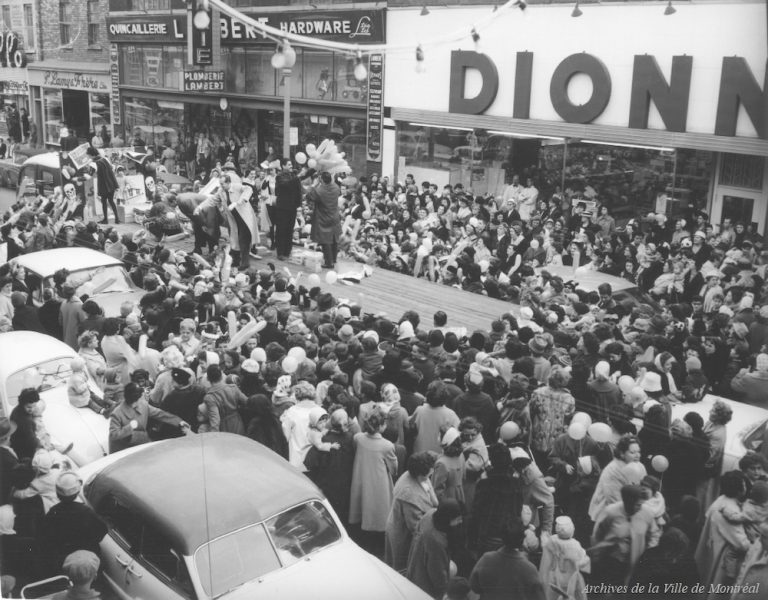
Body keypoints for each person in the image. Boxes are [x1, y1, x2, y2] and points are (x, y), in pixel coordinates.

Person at [590, 484, 661, 588]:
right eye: (637, 505)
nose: (640, 508)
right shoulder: (610, 511)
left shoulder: (647, 513)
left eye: (641, 504)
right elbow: (598, 534)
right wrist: (597, 554)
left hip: (636, 562)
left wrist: (648, 551)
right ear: (628, 502)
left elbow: (655, 533)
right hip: (612, 560)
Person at [37, 472, 107, 576]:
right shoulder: (86, 512)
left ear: (57, 493)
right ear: (77, 492)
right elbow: (101, 532)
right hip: (85, 560)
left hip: (62, 560)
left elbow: (45, 537)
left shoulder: (53, 512)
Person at [349, 407, 398, 555]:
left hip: (361, 478)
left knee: (364, 506)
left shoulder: (358, 438)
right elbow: (394, 468)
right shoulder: (387, 445)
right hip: (379, 481)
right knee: (379, 509)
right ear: (382, 425)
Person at [384, 451, 439, 573]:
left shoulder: (416, 475)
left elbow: (432, 496)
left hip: (401, 526)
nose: (433, 472)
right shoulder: (409, 494)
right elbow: (416, 527)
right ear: (420, 473)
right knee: (402, 570)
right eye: (430, 471)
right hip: (402, 535)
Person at [469, 517, 545, 600]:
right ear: (523, 539)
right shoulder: (529, 569)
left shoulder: (486, 559)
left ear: (502, 536)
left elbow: (474, 586)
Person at [407, 499, 464, 599]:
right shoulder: (436, 541)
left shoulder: (432, 513)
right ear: (448, 519)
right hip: (424, 581)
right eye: (458, 519)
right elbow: (437, 572)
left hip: (416, 561)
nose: (461, 521)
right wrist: (444, 592)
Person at [109, 382, 189, 453]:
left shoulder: (143, 404)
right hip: (123, 450)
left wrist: (178, 421)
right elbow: (113, 435)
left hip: (140, 443)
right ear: (128, 399)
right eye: (135, 400)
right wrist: (129, 427)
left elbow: (160, 414)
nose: (137, 403)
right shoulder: (117, 413)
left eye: (138, 399)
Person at [306, 171, 342, 269]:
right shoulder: (336, 187)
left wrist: (315, 184)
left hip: (323, 217)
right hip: (334, 216)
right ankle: (334, 259)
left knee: (326, 241)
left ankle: (329, 262)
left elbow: (309, 195)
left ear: (321, 179)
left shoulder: (319, 190)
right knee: (334, 239)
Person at [203, 364, 247, 434]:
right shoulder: (233, 387)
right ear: (221, 376)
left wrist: (213, 437)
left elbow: (215, 421)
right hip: (238, 423)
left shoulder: (209, 397)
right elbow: (247, 402)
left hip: (224, 428)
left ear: (208, 378)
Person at [273, 159, 302, 260]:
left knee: (290, 229)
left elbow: (298, 188)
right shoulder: (280, 176)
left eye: (291, 164)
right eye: (289, 164)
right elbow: (286, 185)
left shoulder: (293, 175)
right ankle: (280, 252)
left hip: (292, 207)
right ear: (283, 166)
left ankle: (287, 251)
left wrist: (299, 203)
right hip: (282, 208)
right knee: (281, 230)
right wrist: (298, 177)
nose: (291, 166)